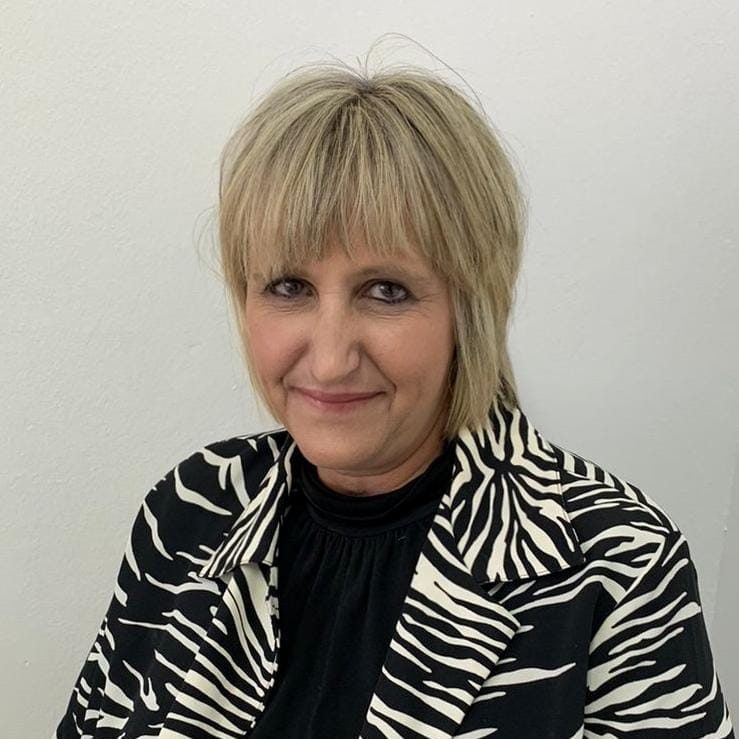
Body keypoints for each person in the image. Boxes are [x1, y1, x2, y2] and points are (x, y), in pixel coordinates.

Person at [55, 58, 734, 739]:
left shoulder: (614, 564)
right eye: (289, 286)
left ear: (470, 309)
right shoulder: (191, 512)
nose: (329, 359)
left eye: (386, 291)